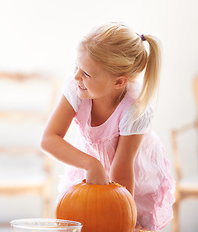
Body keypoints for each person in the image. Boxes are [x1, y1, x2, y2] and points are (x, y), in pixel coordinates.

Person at [41, 22, 175, 231]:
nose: (76, 76)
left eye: (86, 73)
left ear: (119, 82)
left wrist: (124, 221)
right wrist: (91, 164)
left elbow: (122, 174)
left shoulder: (134, 109)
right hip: (91, 168)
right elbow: (49, 139)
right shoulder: (77, 88)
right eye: (76, 66)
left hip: (130, 181)